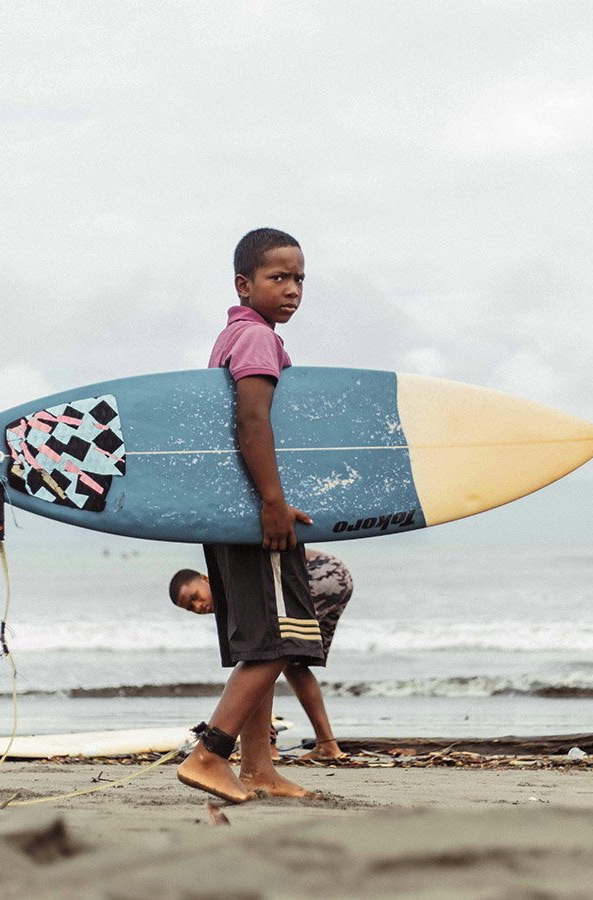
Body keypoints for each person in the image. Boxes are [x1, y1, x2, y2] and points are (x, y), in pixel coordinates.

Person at [175, 227, 321, 803]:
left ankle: (259, 768)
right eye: (278, 277)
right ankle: (211, 754)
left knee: (260, 641)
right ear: (244, 284)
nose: (292, 289)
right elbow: (251, 422)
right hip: (259, 516)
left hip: (230, 516)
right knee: (283, 639)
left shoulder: (230, 337)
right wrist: (273, 502)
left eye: (299, 278)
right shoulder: (258, 340)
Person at [169, 549, 353, 760]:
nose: (199, 606)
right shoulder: (228, 593)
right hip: (338, 576)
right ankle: (327, 746)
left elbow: (261, 655)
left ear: (205, 578)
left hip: (320, 574)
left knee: (269, 653)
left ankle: (268, 747)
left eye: (195, 597)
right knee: (292, 663)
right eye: (191, 608)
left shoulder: (230, 587)